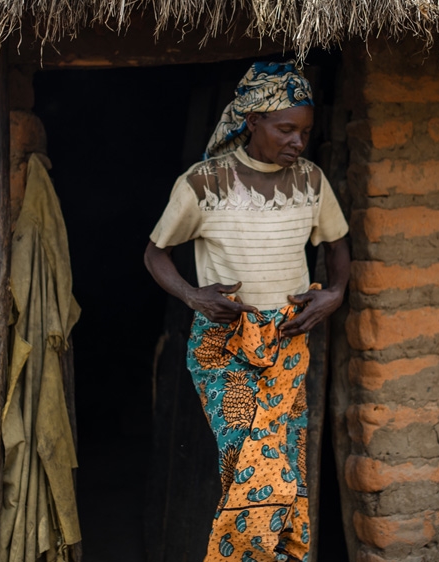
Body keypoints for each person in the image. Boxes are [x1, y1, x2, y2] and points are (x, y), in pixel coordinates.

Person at [144, 61, 350, 562]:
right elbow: (155, 254)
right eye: (286, 129)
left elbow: (338, 244)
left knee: (286, 470)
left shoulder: (311, 181)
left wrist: (336, 292)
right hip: (225, 347)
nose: (298, 142)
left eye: (305, 132)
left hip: (287, 344)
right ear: (253, 120)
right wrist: (193, 296)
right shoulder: (203, 183)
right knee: (253, 470)